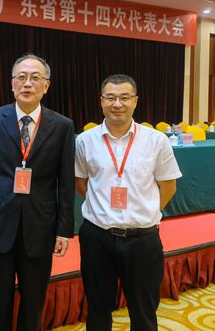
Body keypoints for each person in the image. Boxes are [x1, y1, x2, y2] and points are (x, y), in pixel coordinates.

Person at [0, 54, 75, 331]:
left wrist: (64, 230)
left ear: (46, 85)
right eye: (21, 77)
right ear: (12, 84)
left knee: (33, 303)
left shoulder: (62, 126)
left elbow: (65, 182)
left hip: (40, 225)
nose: (27, 83)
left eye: (35, 78)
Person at [75, 74, 182, 331]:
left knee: (144, 311)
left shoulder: (156, 140)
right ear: (101, 101)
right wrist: (102, 209)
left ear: (135, 101)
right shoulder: (84, 140)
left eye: (124, 97)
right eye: (110, 98)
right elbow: (80, 183)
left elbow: (168, 186)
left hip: (142, 239)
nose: (117, 104)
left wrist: (144, 211)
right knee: (97, 309)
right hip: (97, 237)